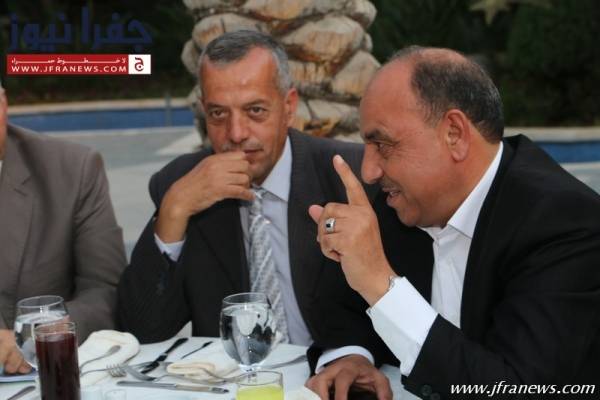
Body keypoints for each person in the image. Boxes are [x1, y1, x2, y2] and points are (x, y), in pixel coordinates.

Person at [308, 46, 600, 399]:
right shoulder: (404, 199)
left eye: (382, 144)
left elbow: (518, 388)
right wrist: (352, 356)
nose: (368, 171)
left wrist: (382, 286)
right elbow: (342, 304)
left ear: (454, 134)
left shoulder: (562, 222)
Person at [118, 30, 396, 397]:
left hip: (331, 383)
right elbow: (143, 329)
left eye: (255, 111)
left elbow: (400, 307)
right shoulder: (181, 185)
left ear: (289, 106)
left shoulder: (351, 176)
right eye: (218, 113)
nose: (236, 133)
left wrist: (354, 355)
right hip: (231, 388)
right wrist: (174, 211)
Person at [0, 80, 127, 374]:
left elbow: (106, 292)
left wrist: (40, 335)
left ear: (3, 106)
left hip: (39, 379)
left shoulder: (72, 169)